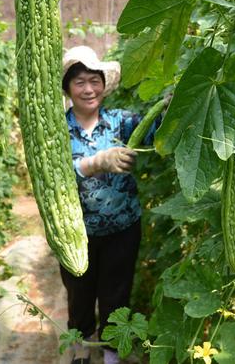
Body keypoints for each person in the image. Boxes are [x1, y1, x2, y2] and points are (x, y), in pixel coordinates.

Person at [60, 46, 162, 364]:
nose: (88, 89)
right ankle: (80, 349)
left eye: (95, 80)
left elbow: (156, 134)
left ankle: (111, 355)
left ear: (104, 85)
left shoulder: (121, 122)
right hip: (76, 232)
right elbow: (54, 175)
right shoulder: (57, 130)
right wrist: (95, 162)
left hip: (123, 227)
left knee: (116, 298)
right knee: (79, 297)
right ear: (67, 88)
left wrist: (169, 107)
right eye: (79, 82)